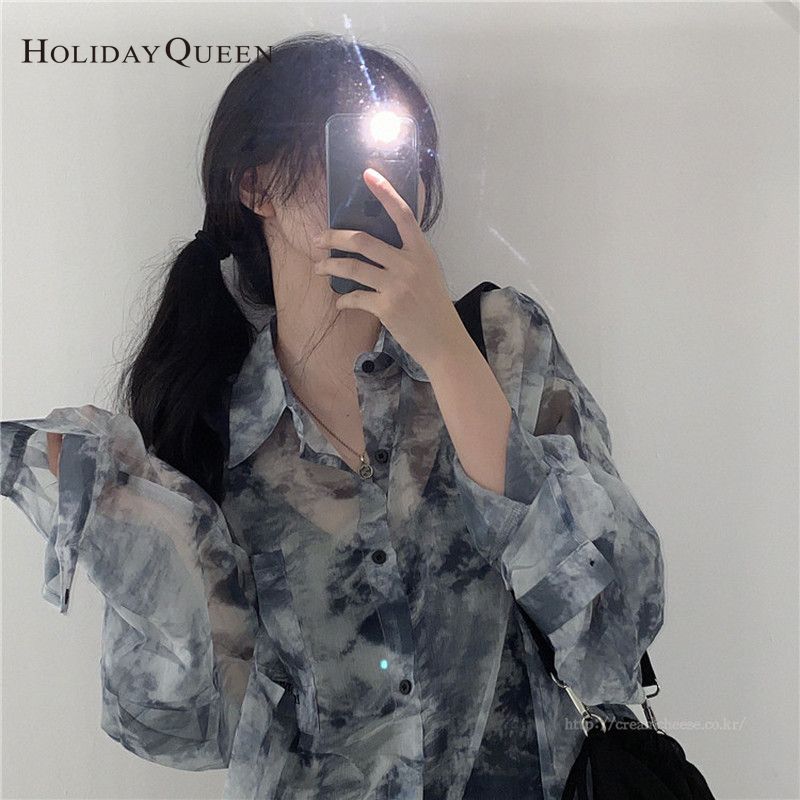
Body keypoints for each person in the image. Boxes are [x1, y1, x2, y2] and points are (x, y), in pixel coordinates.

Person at [1, 32, 665, 800]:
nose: (387, 177)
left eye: (405, 151)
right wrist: (136, 533)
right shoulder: (208, 425)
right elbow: (186, 731)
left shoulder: (500, 344)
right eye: (350, 143)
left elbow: (615, 634)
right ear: (256, 184)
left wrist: (446, 353)